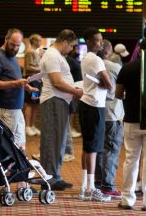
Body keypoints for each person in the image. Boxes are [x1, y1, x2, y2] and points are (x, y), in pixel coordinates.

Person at [116, 39, 146, 212]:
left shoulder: (127, 68)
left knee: (130, 159)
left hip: (131, 119)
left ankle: (127, 199)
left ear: (139, 49)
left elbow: (118, 94)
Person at [39, 29, 82, 190]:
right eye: (71, 46)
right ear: (64, 42)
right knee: (52, 139)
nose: (71, 49)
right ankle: (49, 178)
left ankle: (54, 175)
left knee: (59, 140)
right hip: (53, 101)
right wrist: (76, 91)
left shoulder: (57, 55)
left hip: (60, 101)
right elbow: (56, 82)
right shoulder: (52, 55)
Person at [79, 27, 112, 202]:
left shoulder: (85, 57)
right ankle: (91, 189)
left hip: (85, 103)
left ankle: (85, 187)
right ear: (90, 41)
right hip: (94, 105)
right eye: (98, 40)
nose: (101, 43)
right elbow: (110, 85)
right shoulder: (97, 60)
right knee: (93, 148)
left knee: (87, 146)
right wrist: (105, 82)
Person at [95, 40, 124, 199]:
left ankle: (98, 183)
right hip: (113, 113)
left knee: (98, 148)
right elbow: (122, 91)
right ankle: (108, 185)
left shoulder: (91, 66)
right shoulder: (115, 67)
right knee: (111, 150)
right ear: (108, 51)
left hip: (97, 110)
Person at [24, 34, 42, 137]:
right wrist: (41, 69)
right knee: (30, 103)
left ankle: (32, 125)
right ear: (34, 40)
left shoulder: (35, 52)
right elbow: (28, 67)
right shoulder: (30, 51)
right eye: (39, 40)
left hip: (36, 80)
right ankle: (28, 126)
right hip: (32, 80)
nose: (40, 42)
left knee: (35, 104)